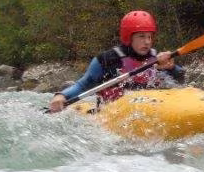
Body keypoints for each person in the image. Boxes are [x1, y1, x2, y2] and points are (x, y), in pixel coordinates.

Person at [48, 10, 185, 112]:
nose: (147, 42)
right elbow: (83, 85)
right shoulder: (108, 59)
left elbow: (180, 82)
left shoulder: (157, 58)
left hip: (148, 108)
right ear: (128, 37)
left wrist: (171, 68)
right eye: (141, 36)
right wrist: (61, 96)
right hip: (112, 112)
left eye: (149, 37)